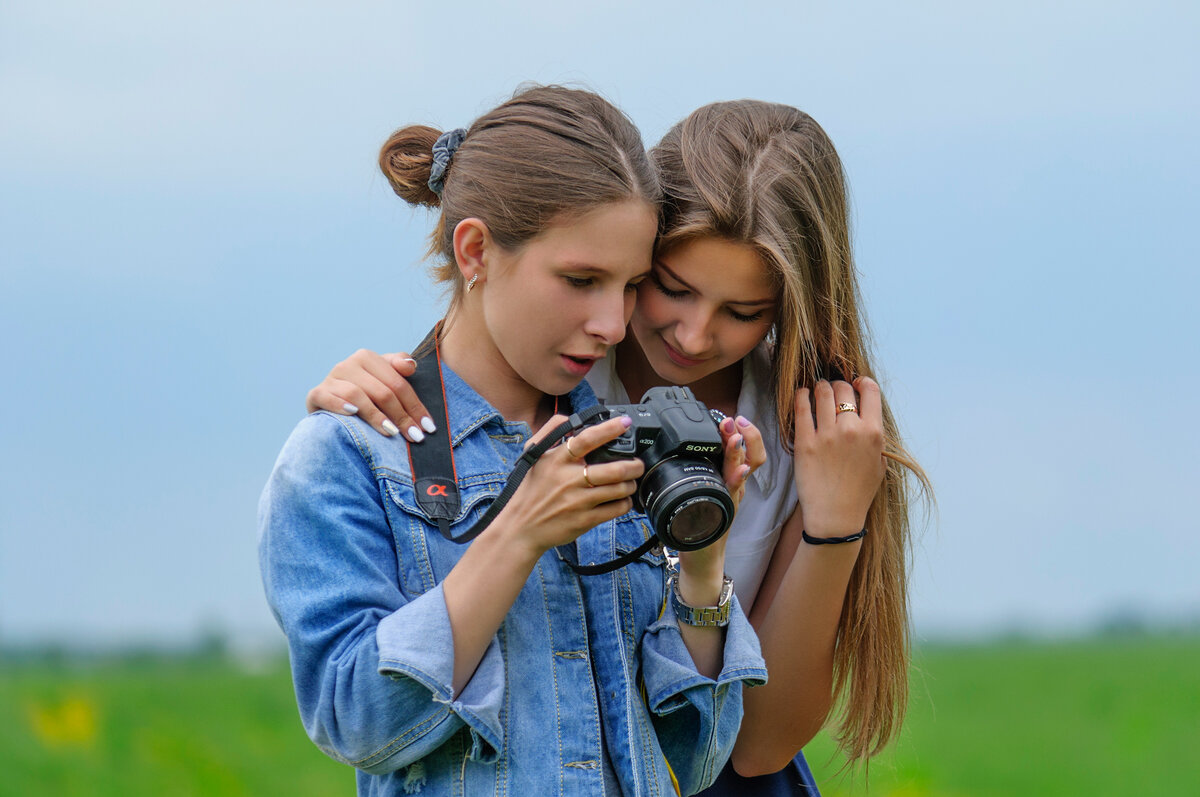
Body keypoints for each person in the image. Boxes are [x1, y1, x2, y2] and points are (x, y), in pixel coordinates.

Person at [305, 99, 932, 795]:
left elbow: (756, 747)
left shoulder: (806, 432)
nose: (694, 336)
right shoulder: (554, 367)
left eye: (744, 312)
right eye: (669, 288)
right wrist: (374, 387)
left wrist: (834, 525)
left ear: (791, 305)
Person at [258, 86, 769, 797]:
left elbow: (695, 754)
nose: (613, 324)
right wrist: (519, 533)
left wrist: (704, 567)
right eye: (581, 279)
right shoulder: (346, 456)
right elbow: (353, 722)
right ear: (475, 251)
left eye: (629, 285)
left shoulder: (627, 444)